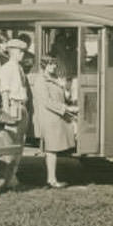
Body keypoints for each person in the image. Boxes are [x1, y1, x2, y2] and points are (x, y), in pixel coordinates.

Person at [30, 55, 77, 188]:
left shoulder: (54, 79)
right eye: (50, 64)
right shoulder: (41, 81)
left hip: (56, 117)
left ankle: (52, 178)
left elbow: (63, 96)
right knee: (51, 149)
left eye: (54, 64)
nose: (54, 66)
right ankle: (51, 180)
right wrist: (66, 108)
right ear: (44, 65)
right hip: (49, 118)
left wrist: (65, 89)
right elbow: (47, 102)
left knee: (53, 149)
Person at [0, 38, 30, 191]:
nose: (22, 55)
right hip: (13, 106)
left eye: (23, 52)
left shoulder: (18, 68)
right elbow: (4, 91)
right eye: (20, 52)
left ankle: (13, 176)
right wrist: (6, 112)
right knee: (10, 143)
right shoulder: (7, 68)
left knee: (19, 143)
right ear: (12, 52)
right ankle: (5, 178)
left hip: (21, 106)